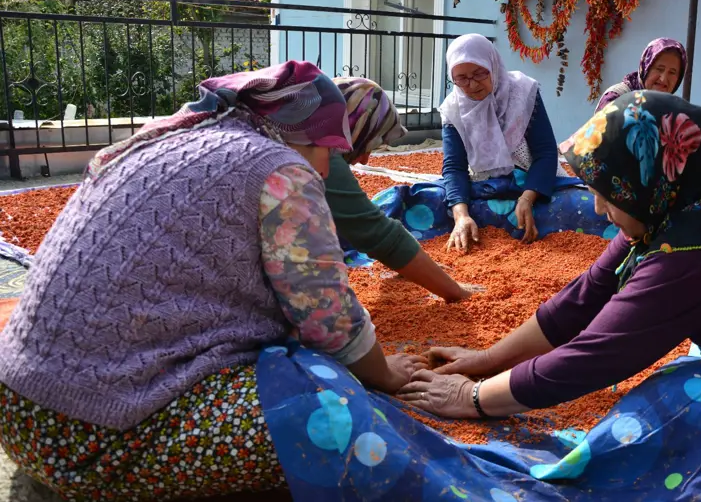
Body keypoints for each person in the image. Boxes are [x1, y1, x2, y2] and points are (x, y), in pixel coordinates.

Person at [400, 91, 701, 491]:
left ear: (646, 177)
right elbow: (585, 298)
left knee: (692, 408)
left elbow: (600, 353)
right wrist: (486, 361)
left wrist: (474, 398)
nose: (599, 207)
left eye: (608, 192)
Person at [0, 61, 427, 501]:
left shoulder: (181, 136)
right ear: (306, 135)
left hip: (17, 403)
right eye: (330, 151)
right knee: (330, 407)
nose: (326, 169)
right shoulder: (282, 169)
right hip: (90, 436)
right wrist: (383, 375)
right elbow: (325, 313)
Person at [327, 76, 473, 301]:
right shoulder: (322, 156)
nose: (366, 160)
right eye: (369, 143)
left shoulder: (297, 131)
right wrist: (456, 292)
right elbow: (376, 233)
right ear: (353, 127)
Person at [441, 33, 568, 251]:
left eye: (479, 73)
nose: (471, 85)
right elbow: (454, 168)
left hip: (534, 184)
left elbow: (546, 153)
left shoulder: (523, 92)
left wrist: (528, 199)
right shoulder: (453, 108)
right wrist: (461, 216)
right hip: (484, 187)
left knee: (577, 207)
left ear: (493, 66)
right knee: (422, 201)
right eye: (461, 78)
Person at [594, 37, 687, 112]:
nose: (663, 79)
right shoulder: (616, 98)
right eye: (659, 69)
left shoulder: (673, 111)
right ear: (646, 68)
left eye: (672, 72)